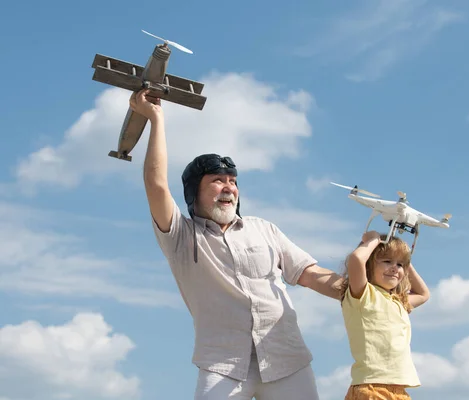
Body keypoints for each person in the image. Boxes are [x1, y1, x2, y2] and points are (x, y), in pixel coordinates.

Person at [129, 89, 343, 400]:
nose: (228, 186)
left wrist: (362, 291)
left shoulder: (264, 229)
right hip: (222, 364)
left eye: (233, 181)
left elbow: (310, 274)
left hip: (287, 359)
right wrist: (156, 119)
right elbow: (156, 183)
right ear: (194, 193)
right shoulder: (181, 237)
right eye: (217, 180)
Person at [339, 230, 430, 400]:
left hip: (399, 390)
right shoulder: (364, 295)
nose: (395, 268)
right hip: (372, 387)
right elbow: (356, 260)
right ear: (369, 265)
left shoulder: (398, 302)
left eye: (400, 265)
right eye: (387, 261)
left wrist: (404, 258)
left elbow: (424, 294)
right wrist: (374, 240)